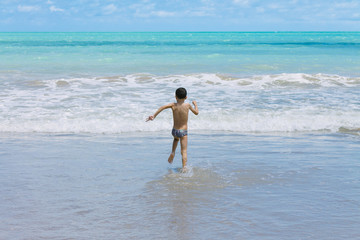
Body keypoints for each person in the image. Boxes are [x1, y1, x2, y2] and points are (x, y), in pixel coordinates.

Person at [146, 87, 199, 170]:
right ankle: (184, 168)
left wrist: (154, 116)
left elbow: (162, 107)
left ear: (175, 97)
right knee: (184, 151)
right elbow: (196, 113)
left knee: (176, 139)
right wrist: (195, 104)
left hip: (174, 131)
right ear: (186, 97)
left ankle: (173, 152)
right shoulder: (188, 105)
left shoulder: (173, 105)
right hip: (183, 131)